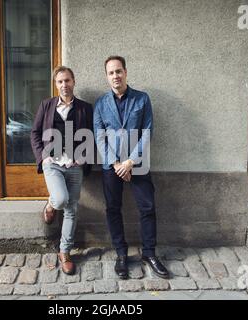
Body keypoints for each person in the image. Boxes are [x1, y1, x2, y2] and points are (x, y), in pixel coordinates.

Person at [94, 56, 169, 279]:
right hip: (112, 166)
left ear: (125, 72)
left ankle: (149, 253)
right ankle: (121, 254)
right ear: (106, 77)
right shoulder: (100, 104)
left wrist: (129, 162)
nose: (115, 76)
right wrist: (116, 164)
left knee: (147, 208)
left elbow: (147, 133)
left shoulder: (142, 99)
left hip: (138, 163)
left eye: (118, 71)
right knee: (113, 209)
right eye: (111, 73)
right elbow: (99, 137)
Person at [31, 66, 93, 275]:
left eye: (67, 80)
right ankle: (50, 205)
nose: (64, 85)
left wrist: (84, 157)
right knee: (60, 199)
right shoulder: (46, 105)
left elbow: (92, 135)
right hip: (53, 164)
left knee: (72, 209)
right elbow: (34, 133)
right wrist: (42, 156)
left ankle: (64, 252)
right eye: (60, 82)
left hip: (75, 166)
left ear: (73, 81)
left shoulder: (85, 108)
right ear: (55, 84)